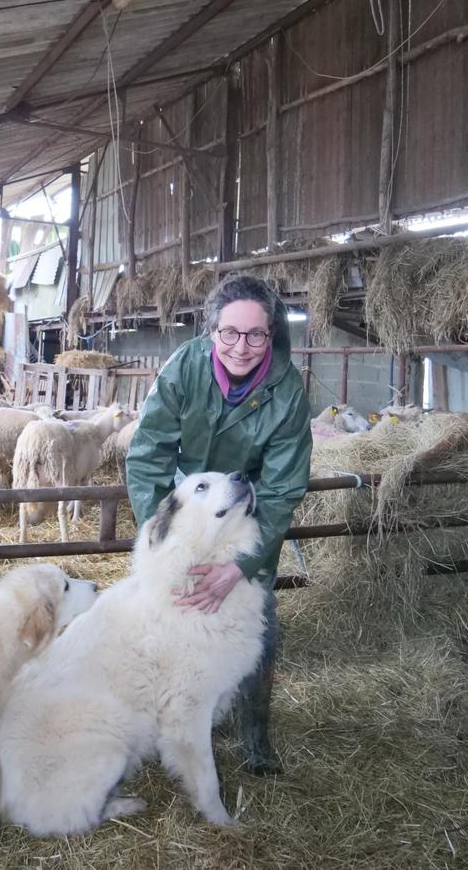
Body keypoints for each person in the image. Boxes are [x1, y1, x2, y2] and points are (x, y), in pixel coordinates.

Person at [126, 274, 312, 775]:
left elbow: (282, 488)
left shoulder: (287, 391)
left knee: (257, 621)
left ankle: (255, 736)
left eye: (256, 334)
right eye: (229, 332)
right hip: (189, 504)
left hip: (247, 514)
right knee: (160, 615)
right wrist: (165, 542)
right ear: (211, 330)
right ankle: (158, 718)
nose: (242, 346)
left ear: (271, 335)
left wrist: (242, 565)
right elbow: (147, 455)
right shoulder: (185, 367)